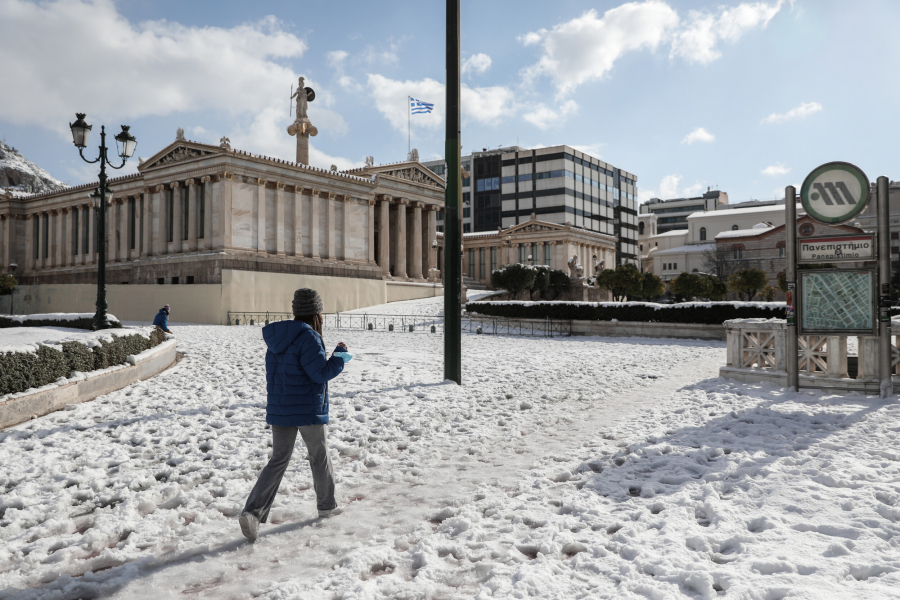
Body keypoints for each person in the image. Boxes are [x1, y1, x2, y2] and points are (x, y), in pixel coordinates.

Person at [239, 288, 352, 543]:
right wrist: (338, 359)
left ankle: (252, 513)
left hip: (280, 409)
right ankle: (327, 506)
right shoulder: (309, 337)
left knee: (278, 460)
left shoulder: (277, 337)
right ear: (316, 313)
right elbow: (319, 374)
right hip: (307, 409)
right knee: (319, 455)